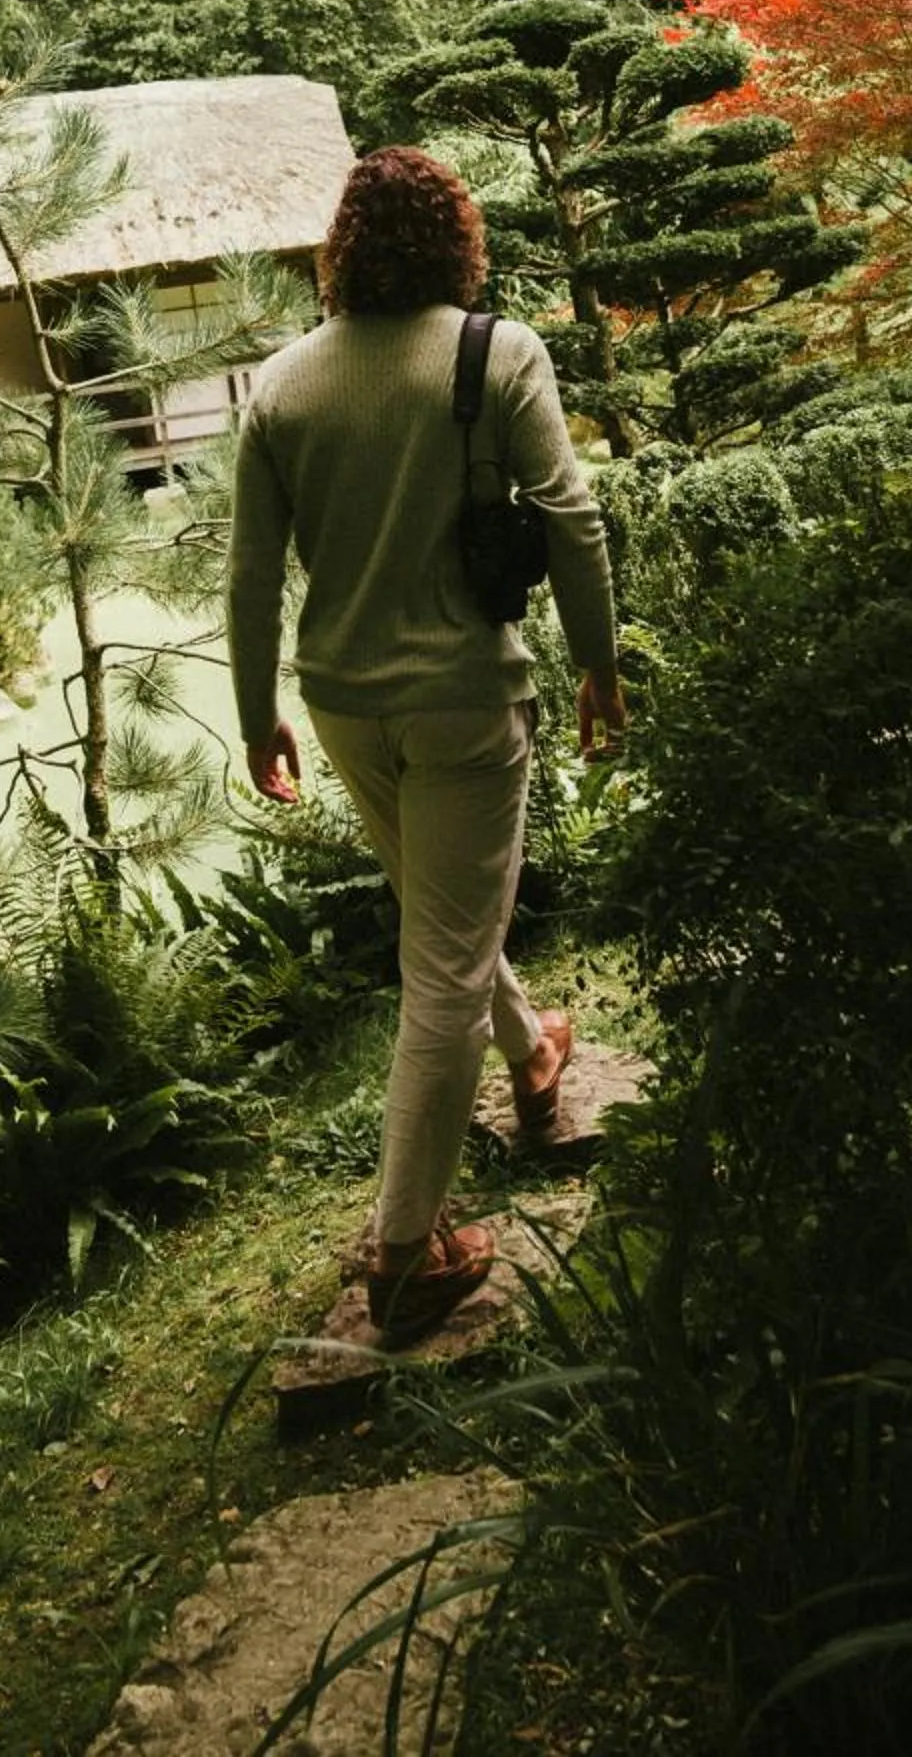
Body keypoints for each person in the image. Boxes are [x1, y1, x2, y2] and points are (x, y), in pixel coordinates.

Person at [225, 145, 626, 1341]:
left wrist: (258, 718)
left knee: (438, 922)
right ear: (460, 241)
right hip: (461, 702)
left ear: (338, 252)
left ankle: (534, 1049)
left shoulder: (282, 384)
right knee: (441, 968)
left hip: (344, 705)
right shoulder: (497, 352)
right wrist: (599, 663)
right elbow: (571, 517)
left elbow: (249, 578)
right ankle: (405, 1251)